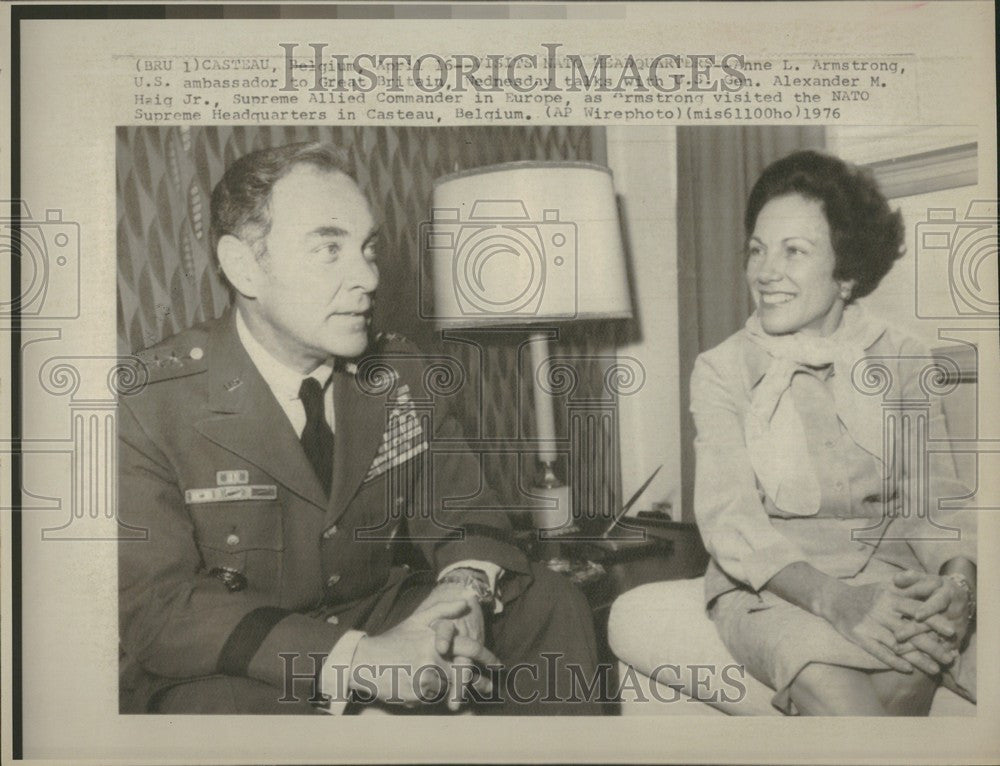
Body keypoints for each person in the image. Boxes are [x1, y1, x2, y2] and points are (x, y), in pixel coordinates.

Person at [118, 141, 599, 715]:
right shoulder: (150, 400)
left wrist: (464, 589)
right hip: (248, 661)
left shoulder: (399, 373)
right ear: (244, 265)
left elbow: (466, 511)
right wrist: (358, 660)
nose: (368, 277)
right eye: (329, 248)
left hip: (378, 612)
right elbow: (160, 608)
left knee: (550, 601)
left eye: (368, 248)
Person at [691, 150, 977, 715]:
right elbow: (732, 522)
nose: (764, 272)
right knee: (849, 707)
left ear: (846, 273)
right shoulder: (721, 369)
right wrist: (839, 602)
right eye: (757, 249)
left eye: (793, 251)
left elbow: (934, 502)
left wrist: (958, 589)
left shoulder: (904, 357)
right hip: (773, 591)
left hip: (895, 578)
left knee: (916, 680)